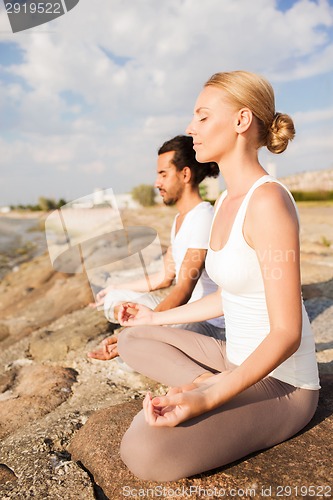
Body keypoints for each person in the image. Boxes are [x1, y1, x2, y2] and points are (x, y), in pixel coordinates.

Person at [116, 71, 320, 481]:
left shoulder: (269, 202)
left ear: (242, 121)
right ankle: (203, 377)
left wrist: (208, 398)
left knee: (143, 450)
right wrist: (153, 318)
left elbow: (287, 332)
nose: (191, 128)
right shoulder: (226, 198)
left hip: (283, 383)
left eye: (203, 116)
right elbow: (235, 295)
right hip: (233, 357)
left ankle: (209, 384)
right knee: (131, 337)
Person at [88, 135, 225, 361]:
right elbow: (163, 277)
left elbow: (183, 290)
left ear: (185, 174)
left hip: (205, 321)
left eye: (163, 174)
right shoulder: (181, 219)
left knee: (134, 355)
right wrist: (114, 287)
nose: (156, 183)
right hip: (184, 312)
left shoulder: (203, 218)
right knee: (116, 297)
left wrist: (137, 331)